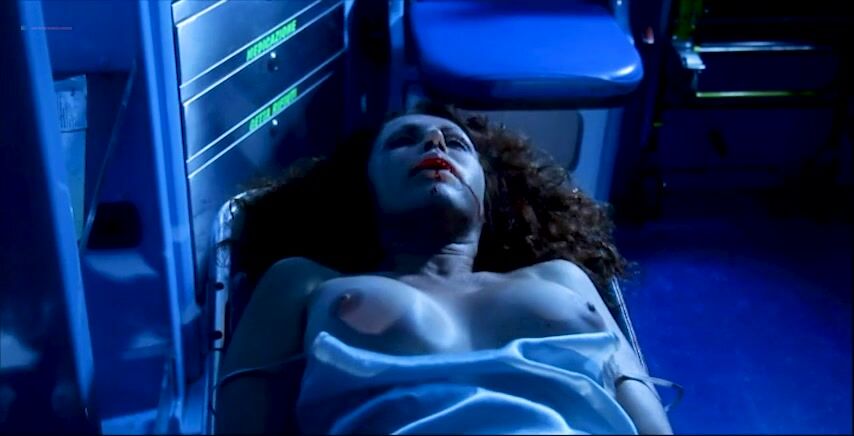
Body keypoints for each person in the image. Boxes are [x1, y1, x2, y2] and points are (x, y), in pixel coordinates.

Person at [215, 102, 675, 434]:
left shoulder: (561, 276)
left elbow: (649, 424)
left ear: (488, 192)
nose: (434, 143)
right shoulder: (303, 281)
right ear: (365, 186)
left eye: (456, 144)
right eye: (402, 141)